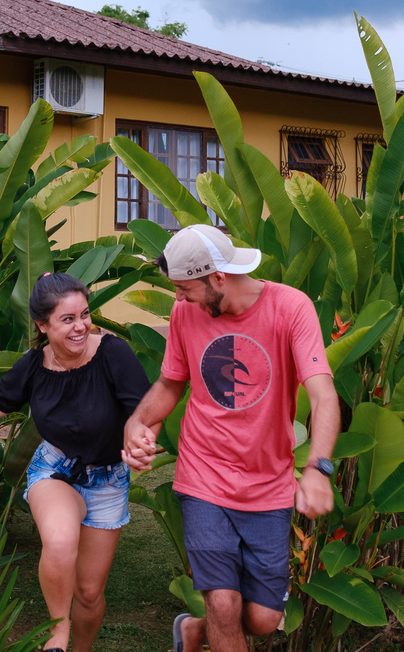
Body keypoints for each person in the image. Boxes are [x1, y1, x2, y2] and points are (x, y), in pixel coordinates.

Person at [121, 225, 340, 652]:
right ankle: (212, 622)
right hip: (204, 477)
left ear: (218, 277)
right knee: (222, 603)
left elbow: (323, 393)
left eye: (185, 289)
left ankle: (194, 631)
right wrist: (137, 423)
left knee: (260, 619)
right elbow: (170, 384)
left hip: (268, 484)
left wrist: (317, 467)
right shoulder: (187, 314)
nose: (179, 300)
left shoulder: (291, 308)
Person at [0, 272, 150, 652]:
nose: (80, 326)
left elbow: (144, 410)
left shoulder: (113, 353)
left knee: (89, 594)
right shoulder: (34, 365)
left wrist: (140, 437)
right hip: (56, 468)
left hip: (108, 479)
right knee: (60, 541)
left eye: (84, 314)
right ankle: (57, 636)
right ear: (42, 325)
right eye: (68, 319)